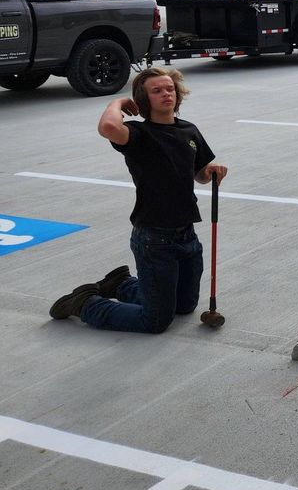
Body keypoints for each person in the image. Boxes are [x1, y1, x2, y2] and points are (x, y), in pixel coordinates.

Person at [48, 66, 228, 333]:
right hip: (154, 239)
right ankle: (85, 302)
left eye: (170, 89)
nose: (166, 94)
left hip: (187, 236)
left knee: (185, 306)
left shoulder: (189, 131)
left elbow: (199, 175)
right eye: (157, 91)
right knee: (155, 321)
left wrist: (209, 172)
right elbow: (108, 126)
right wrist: (117, 101)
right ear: (144, 101)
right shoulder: (138, 135)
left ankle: (121, 284)